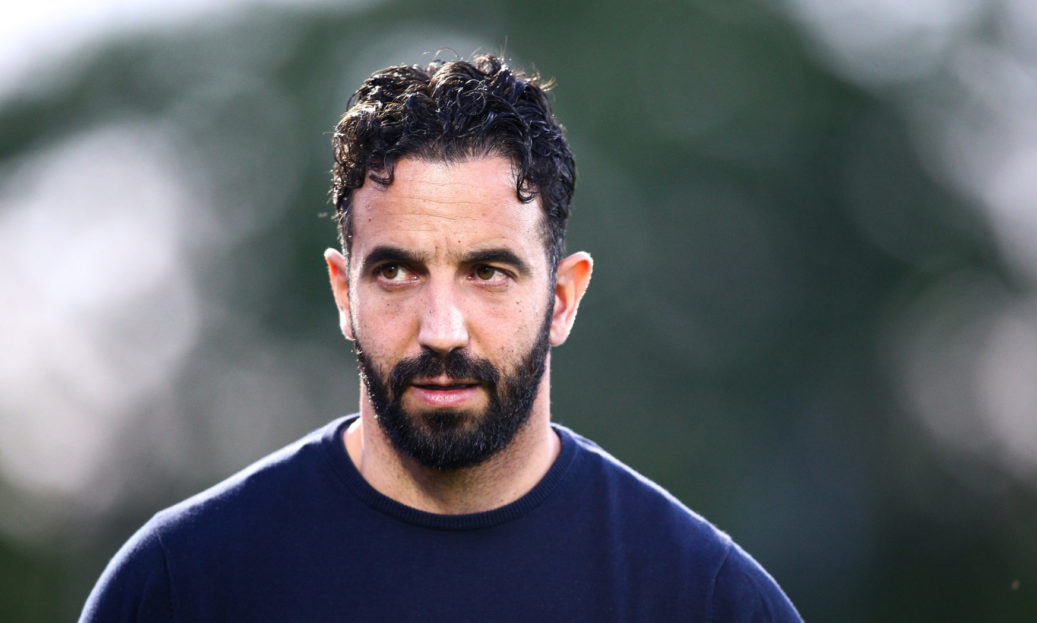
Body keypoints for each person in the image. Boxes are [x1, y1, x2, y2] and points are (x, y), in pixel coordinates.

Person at [81, 54, 802, 622]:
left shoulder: (703, 600)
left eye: (488, 272)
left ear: (562, 297)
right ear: (344, 291)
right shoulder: (181, 586)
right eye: (397, 271)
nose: (442, 329)